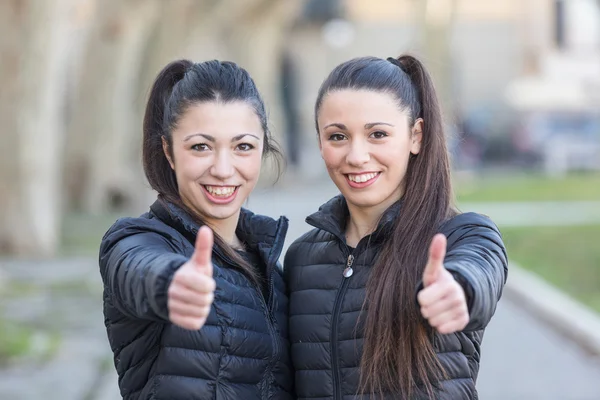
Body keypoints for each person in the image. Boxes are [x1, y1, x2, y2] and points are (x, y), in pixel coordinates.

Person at [284, 55, 508, 399]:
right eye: (337, 136)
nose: (356, 156)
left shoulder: (460, 235)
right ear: (320, 142)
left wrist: (459, 290)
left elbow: (479, 268)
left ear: (415, 136)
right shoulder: (302, 258)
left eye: (377, 134)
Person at [99, 59, 293, 399]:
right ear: (169, 152)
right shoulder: (139, 239)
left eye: (242, 146)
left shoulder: (272, 268)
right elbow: (136, 267)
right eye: (200, 146)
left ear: (263, 148)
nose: (222, 168)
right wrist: (173, 283)